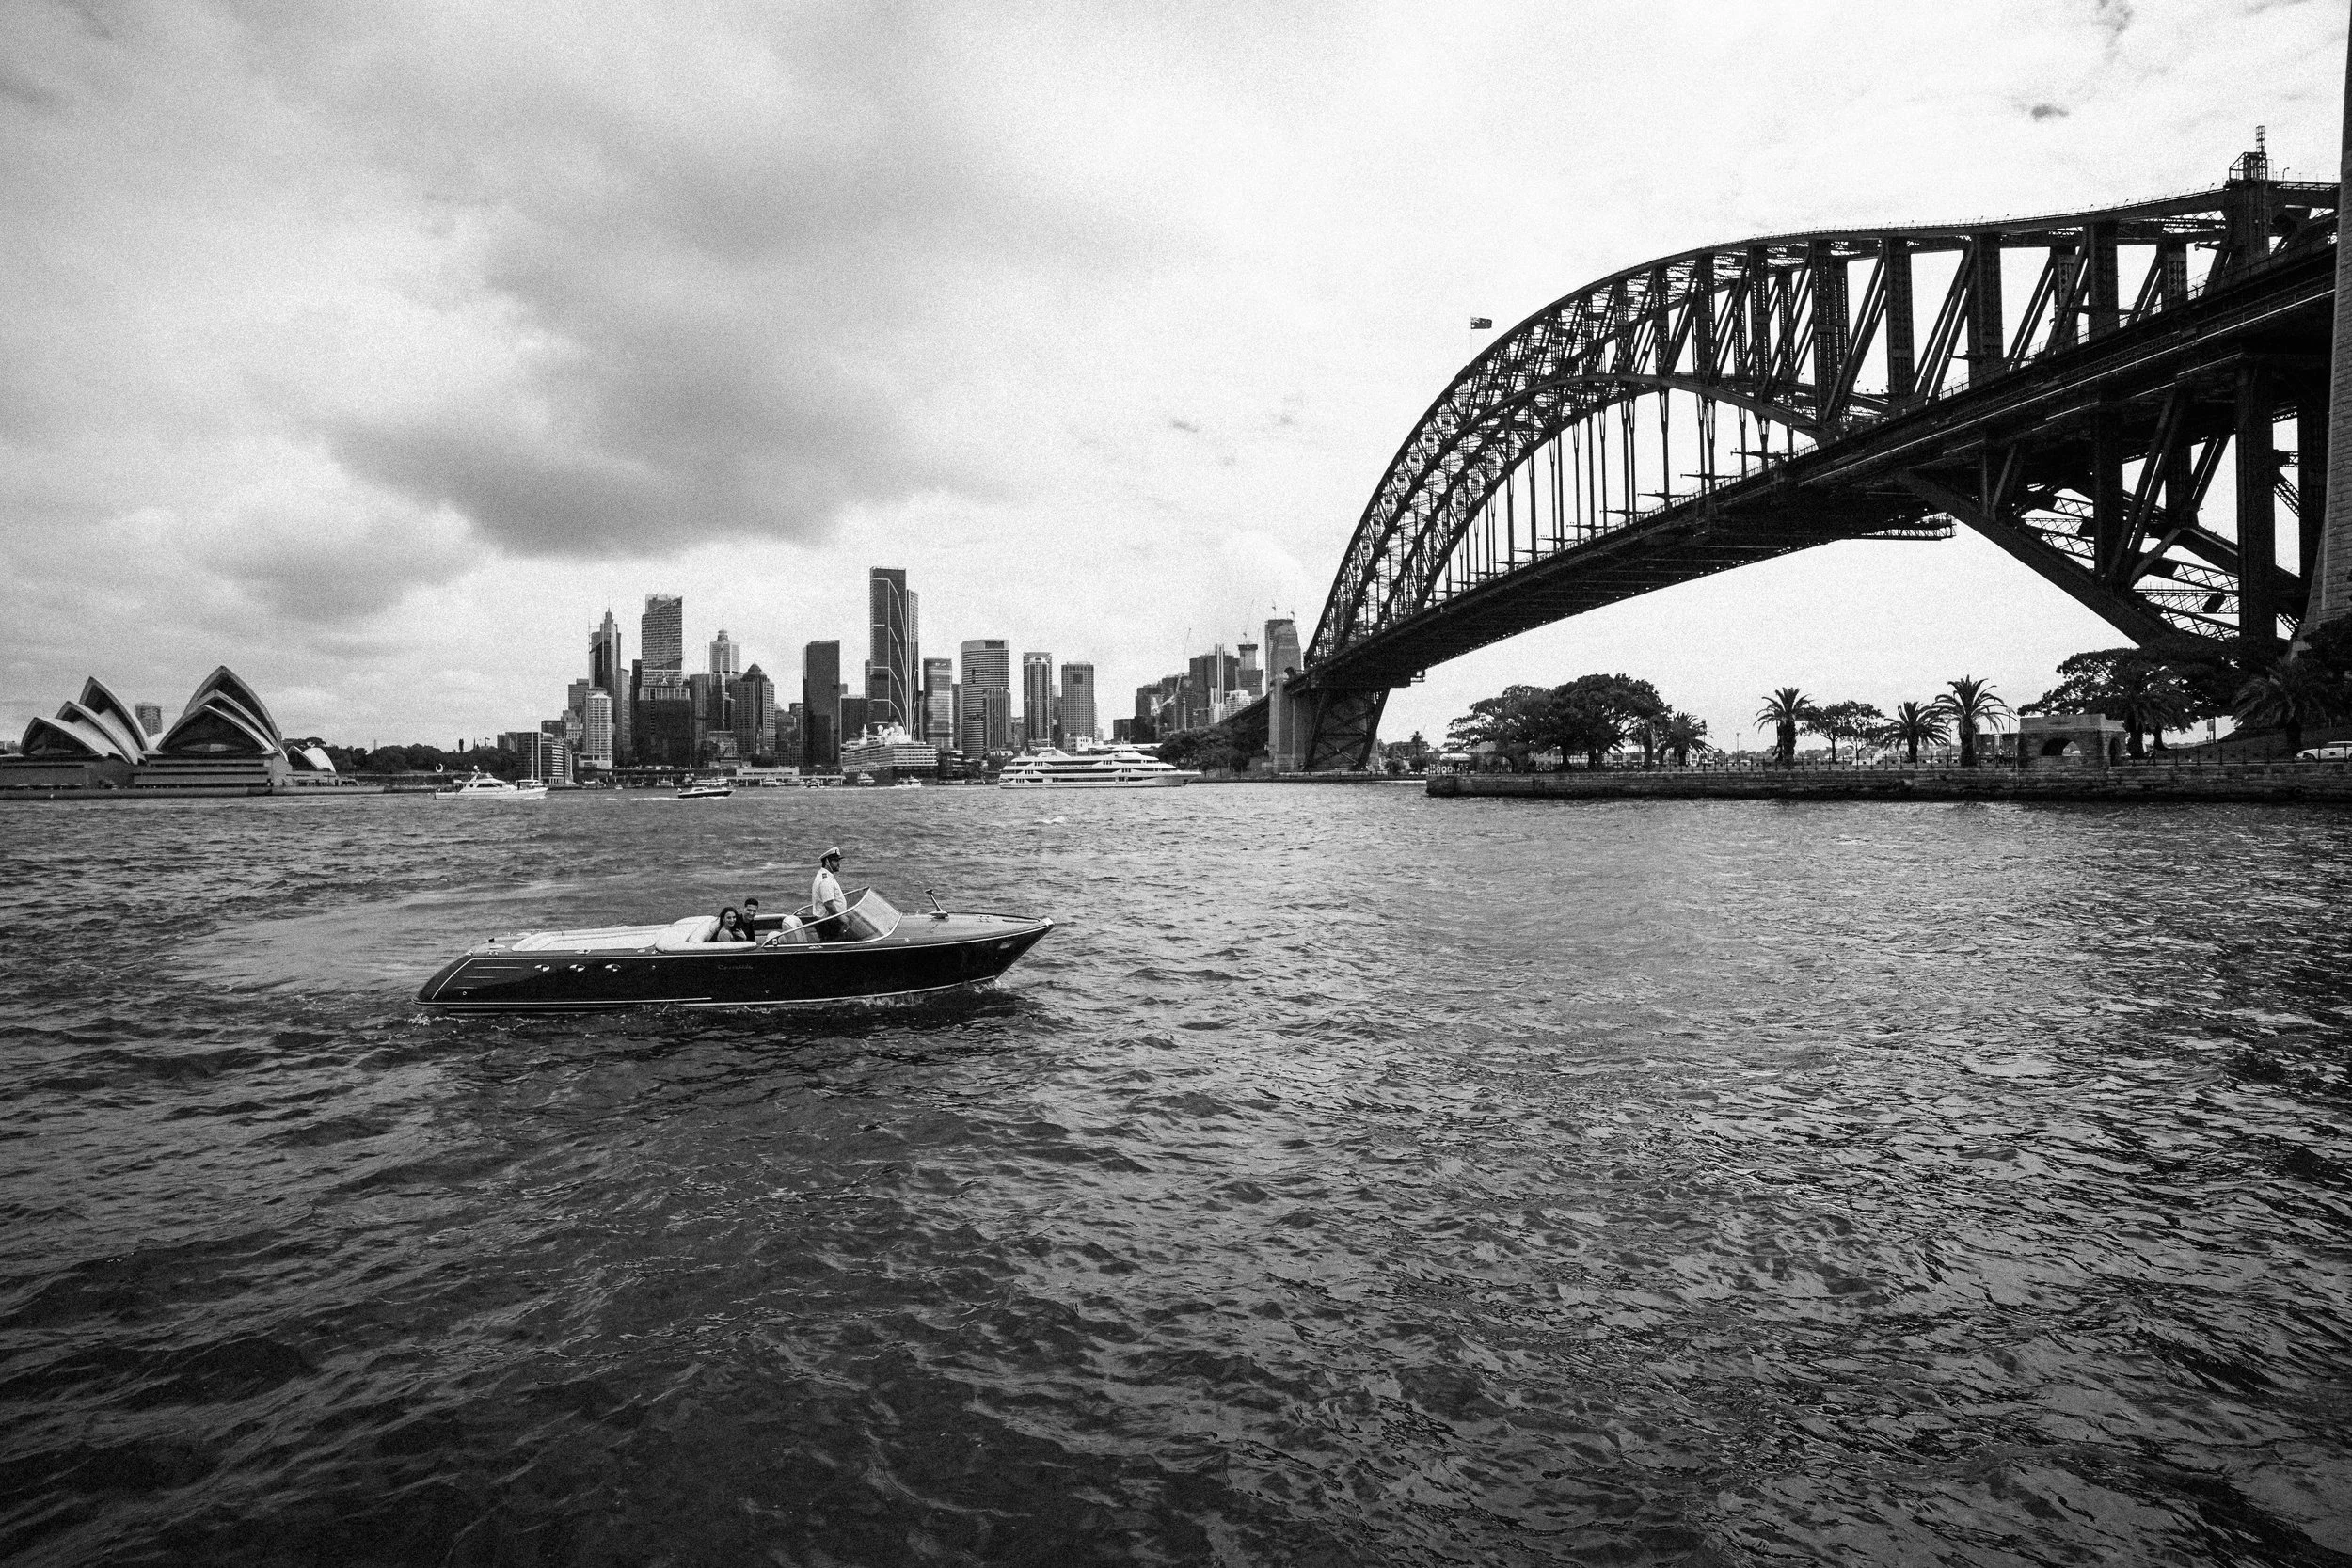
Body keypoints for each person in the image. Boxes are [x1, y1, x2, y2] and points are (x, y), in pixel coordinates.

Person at [808, 847, 847, 938]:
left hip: (830, 921)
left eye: (839, 860)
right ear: (827, 862)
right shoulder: (826, 880)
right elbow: (828, 904)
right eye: (836, 861)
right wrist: (842, 918)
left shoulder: (826, 876)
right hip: (829, 924)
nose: (839, 864)